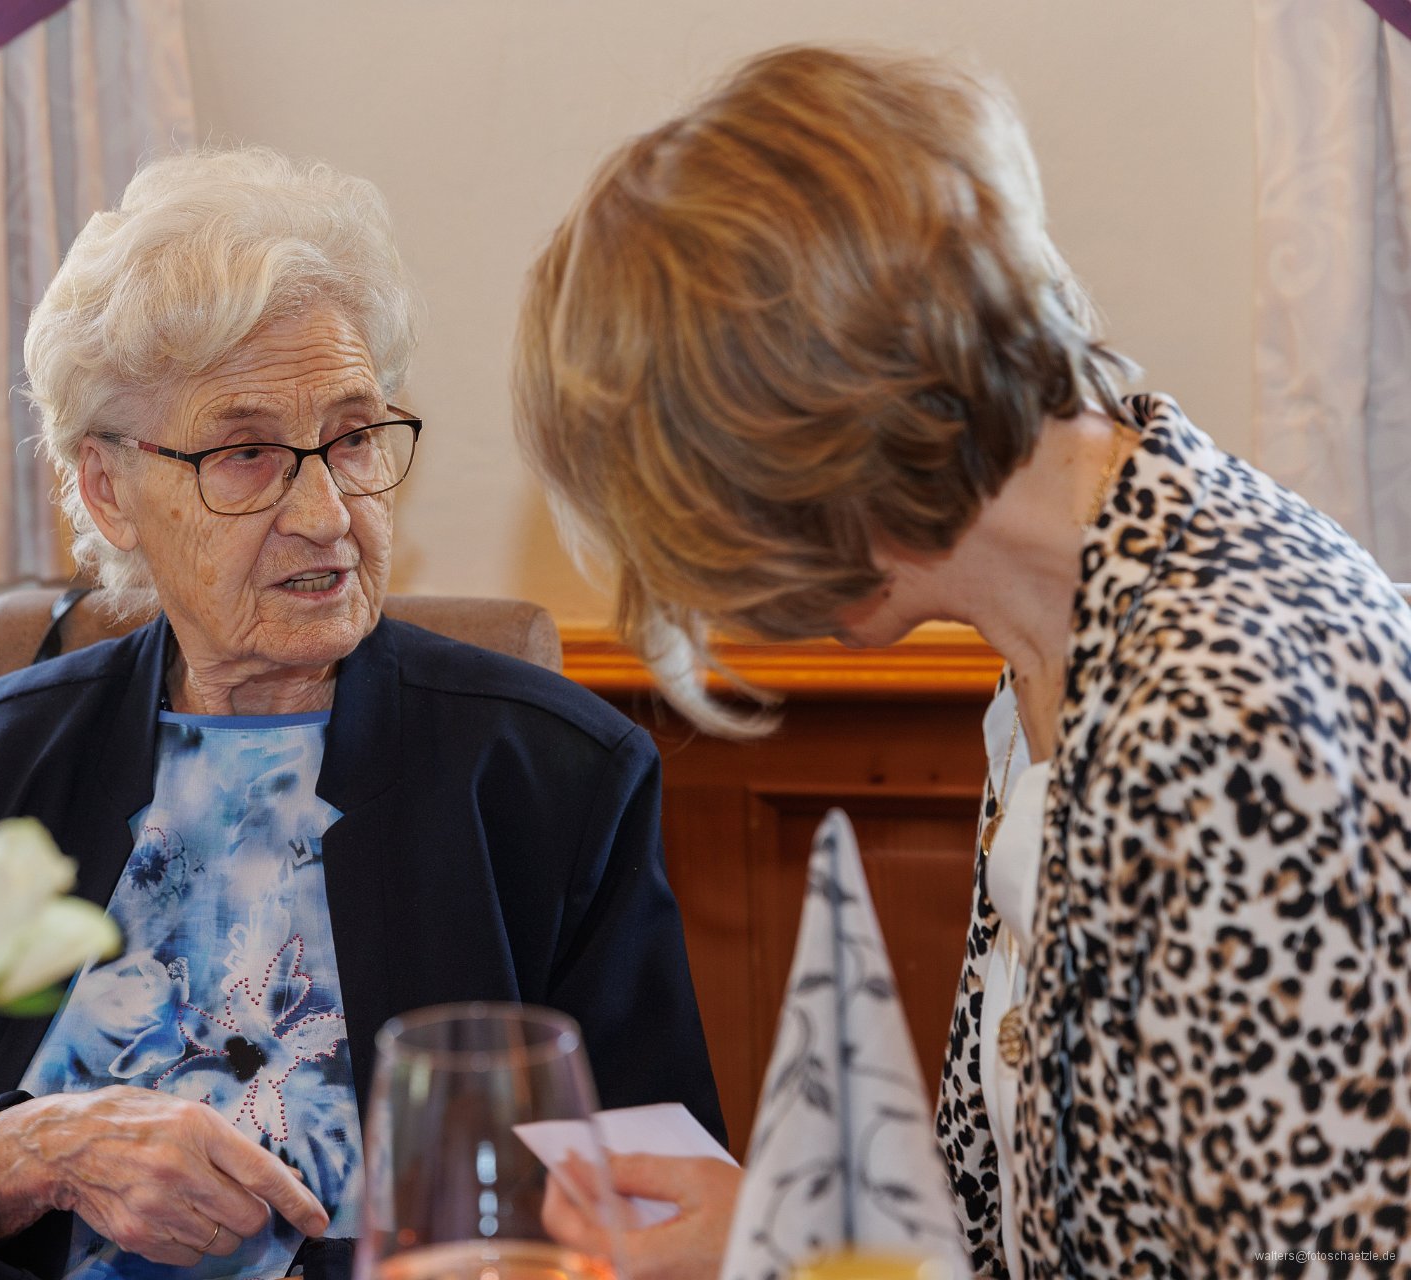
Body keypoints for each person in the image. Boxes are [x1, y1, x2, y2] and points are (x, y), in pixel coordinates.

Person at [515, 45, 1411, 1280]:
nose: (725, 588)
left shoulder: (1219, 714)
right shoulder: (1062, 631)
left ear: (816, 459)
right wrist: (789, 1231)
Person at [0, 147, 723, 1280]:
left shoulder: (555, 778)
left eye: (353, 437)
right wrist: (28, 1151)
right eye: (247, 454)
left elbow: (668, 1212)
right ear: (108, 490)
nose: (328, 513)